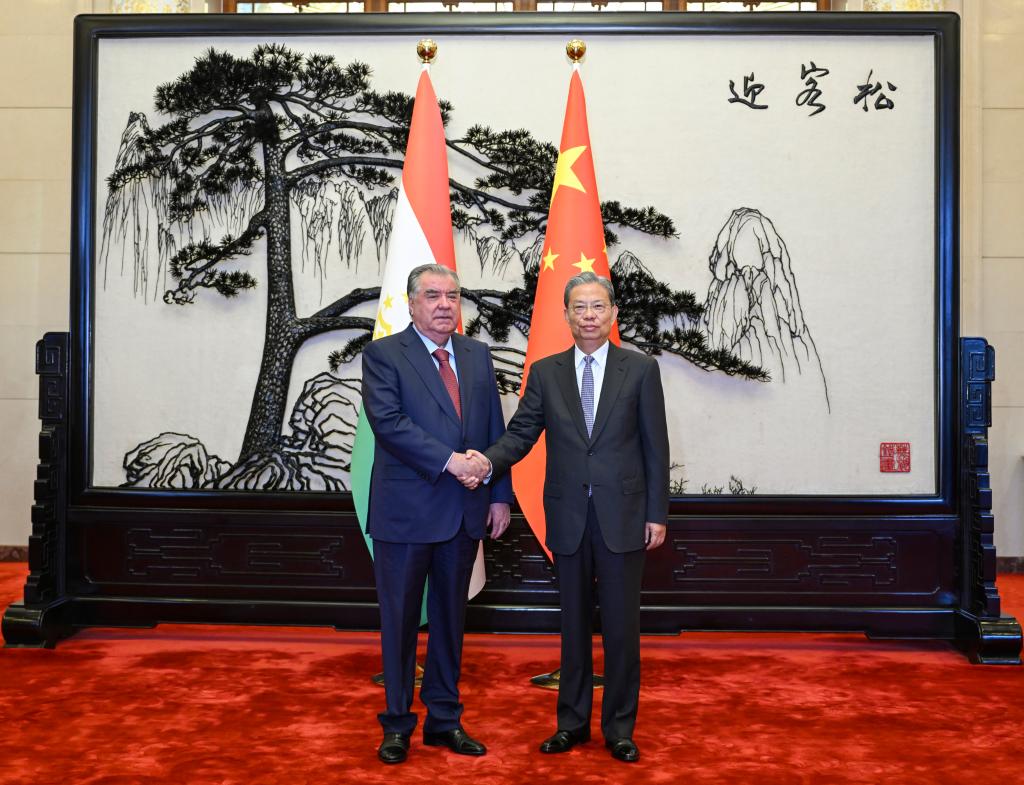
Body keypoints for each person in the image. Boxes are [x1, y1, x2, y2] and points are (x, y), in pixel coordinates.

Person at [471, 271, 669, 763]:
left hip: (624, 516)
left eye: (597, 307)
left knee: (622, 629)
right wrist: (486, 462)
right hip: (567, 516)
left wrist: (657, 513)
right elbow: (520, 434)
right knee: (573, 626)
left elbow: (655, 449)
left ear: (612, 313)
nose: (588, 316)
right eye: (578, 308)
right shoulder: (545, 371)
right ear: (565, 316)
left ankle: (620, 727)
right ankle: (572, 724)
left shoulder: (640, 370)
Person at [361, 263, 513, 765]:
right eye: (433, 295)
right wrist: (451, 462)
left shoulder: (475, 355)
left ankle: (444, 721)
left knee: (451, 622)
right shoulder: (384, 354)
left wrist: (498, 495)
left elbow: (493, 427)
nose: (445, 304)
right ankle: (398, 725)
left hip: (465, 511)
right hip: (406, 514)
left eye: (452, 295)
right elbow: (388, 423)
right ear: (411, 303)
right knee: (401, 623)